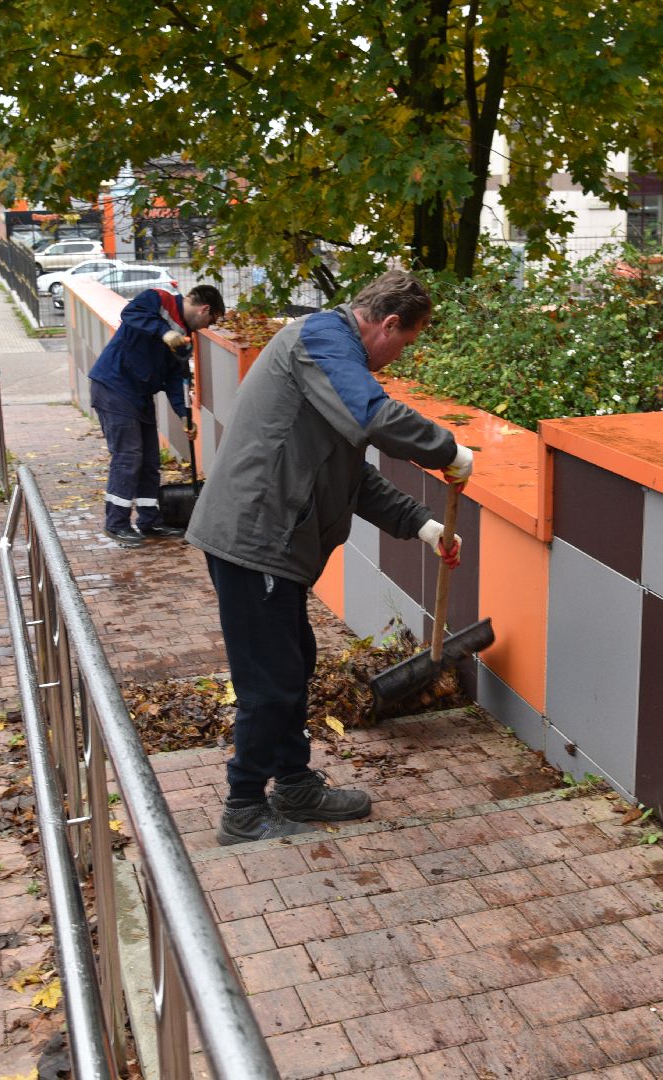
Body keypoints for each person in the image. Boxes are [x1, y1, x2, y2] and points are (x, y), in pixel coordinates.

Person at [185, 271, 473, 845]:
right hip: (255, 538)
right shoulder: (320, 340)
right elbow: (374, 417)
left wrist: (423, 525)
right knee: (269, 680)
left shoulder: (330, 359)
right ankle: (243, 807)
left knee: (292, 664)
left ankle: (293, 784)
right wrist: (449, 449)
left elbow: (348, 473)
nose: (396, 359)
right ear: (388, 324)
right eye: (405, 343)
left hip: (275, 543)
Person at [89, 285, 225, 546]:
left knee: (150, 460)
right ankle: (116, 523)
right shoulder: (158, 299)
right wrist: (165, 332)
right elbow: (132, 314)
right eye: (211, 319)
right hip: (114, 385)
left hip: (139, 395)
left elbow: (178, 379)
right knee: (128, 455)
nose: (207, 326)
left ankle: (149, 520)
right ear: (204, 309)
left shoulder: (185, 339)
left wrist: (184, 415)